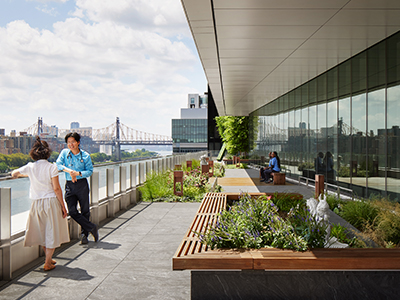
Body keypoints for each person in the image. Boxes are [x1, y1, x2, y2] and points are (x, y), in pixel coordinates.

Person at [11, 137, 70, 271]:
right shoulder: (51, 167)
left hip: (36, 203)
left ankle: (48, 259)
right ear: (47, 153)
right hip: (51, 202)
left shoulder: (30, 167)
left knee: (43, 231)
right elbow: (56, 189)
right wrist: (63, 205)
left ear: (34, 153)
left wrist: (29, 175)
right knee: (51, 231)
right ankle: (48, 262)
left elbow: (14, 173)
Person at [56, 132, 98, 245]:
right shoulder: (64, 153)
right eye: (68, 142)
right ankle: (92, 227)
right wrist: (70, 172)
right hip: (70, 185)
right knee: (72, 211)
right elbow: (58, 165)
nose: (71, 144)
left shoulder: (85, 156)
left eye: (73, 142)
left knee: (85, 211)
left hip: (81, 185)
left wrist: (78, 173)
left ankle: (85, 235)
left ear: (78, 142)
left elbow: (89, 171)